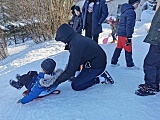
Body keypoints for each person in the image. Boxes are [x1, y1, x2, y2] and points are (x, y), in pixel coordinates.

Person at [50, 23, 108, 91]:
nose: (62, 42)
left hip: (97, 65)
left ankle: (101, 78)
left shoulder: (76, 45)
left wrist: (56, 82)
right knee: (74, 77)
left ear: (65, 37)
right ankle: (89, 75)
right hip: (91, 61)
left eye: (61, 40)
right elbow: (76, 61)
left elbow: (70, 70)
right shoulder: (75, 38)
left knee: (76, 85)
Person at [135, 6, 160, 96]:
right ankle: (155, 84)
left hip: (158, 39)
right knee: (156, 63)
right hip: (156, 38)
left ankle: (150, 86)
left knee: (150, 63)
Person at [111, 0, 140, 67]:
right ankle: (130, 65)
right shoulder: (131, 12)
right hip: (125, 34)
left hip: (120, 32)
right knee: (128, 49)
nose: (138, 6)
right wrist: (129, 36)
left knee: (119, 47)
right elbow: (129, 25)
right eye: (137, 4)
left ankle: (113, 61)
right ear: (134, 3)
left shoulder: (125, 10)